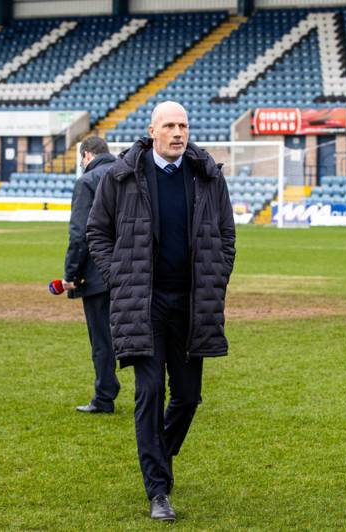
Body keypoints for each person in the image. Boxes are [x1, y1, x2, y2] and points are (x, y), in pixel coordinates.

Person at [87, 101, 236, 522]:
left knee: (187, 397)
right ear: (152, 131)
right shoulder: (122, 176)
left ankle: (159, 457)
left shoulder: (207, 175)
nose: (178, 132)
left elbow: (226, 234)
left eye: (183, 125)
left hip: (192, 304)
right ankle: (157, 489)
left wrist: (217, 273)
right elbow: (97, 231)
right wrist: (118, 276)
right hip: (143, 303)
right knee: (149, 391)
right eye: (169, 125)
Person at [62, 136, 120, 414]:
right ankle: (161, 391)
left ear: (86, 155)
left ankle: (105, 396)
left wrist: (71, 273)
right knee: (146, 333)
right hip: (134, 270)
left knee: (102, 338)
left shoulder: (87, 182)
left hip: (98, 273)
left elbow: (80, 234)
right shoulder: (128, 175)